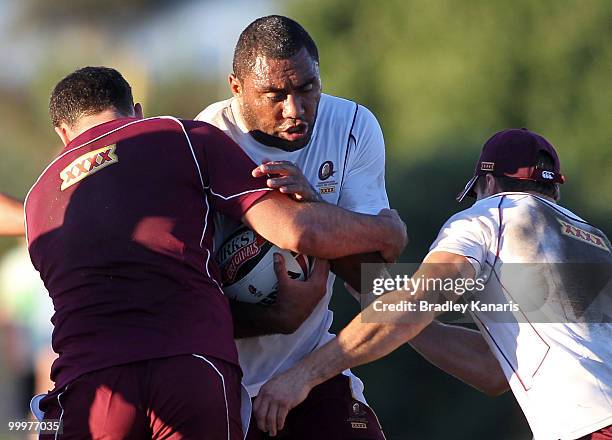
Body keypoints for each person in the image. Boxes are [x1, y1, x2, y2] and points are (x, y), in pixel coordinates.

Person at [25, 66, 406, 439]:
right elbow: (297, 230)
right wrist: (386, 230)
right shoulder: (180, 134)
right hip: (191, 365)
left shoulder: (36, 200)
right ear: (136, 110)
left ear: (63, 133)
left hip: (91, 385)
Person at [254, 128, 612, 440]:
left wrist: (303, 376)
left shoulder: (489, 215)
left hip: (590, 424)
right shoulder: (594, 240)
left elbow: (418, 302)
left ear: (487, 183)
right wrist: (387, 302)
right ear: (553, 190)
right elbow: (494, 371)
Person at [196, 15, 391, 439]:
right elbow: (187, 302)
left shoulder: (352, 127)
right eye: (275, 95)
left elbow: (375, 279)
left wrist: (316, 205)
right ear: (235, 87)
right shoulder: (202, 142)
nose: (295, 110)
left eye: (307, 89)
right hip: (221, 377)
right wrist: (273, 317)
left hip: (311, 366)